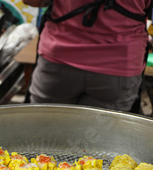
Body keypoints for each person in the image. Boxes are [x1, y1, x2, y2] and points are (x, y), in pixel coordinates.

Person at [22, 0, 152, 113]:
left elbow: (31, 1)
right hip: (120, 64)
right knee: (100, 137)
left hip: (60, 56)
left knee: (45, 134)